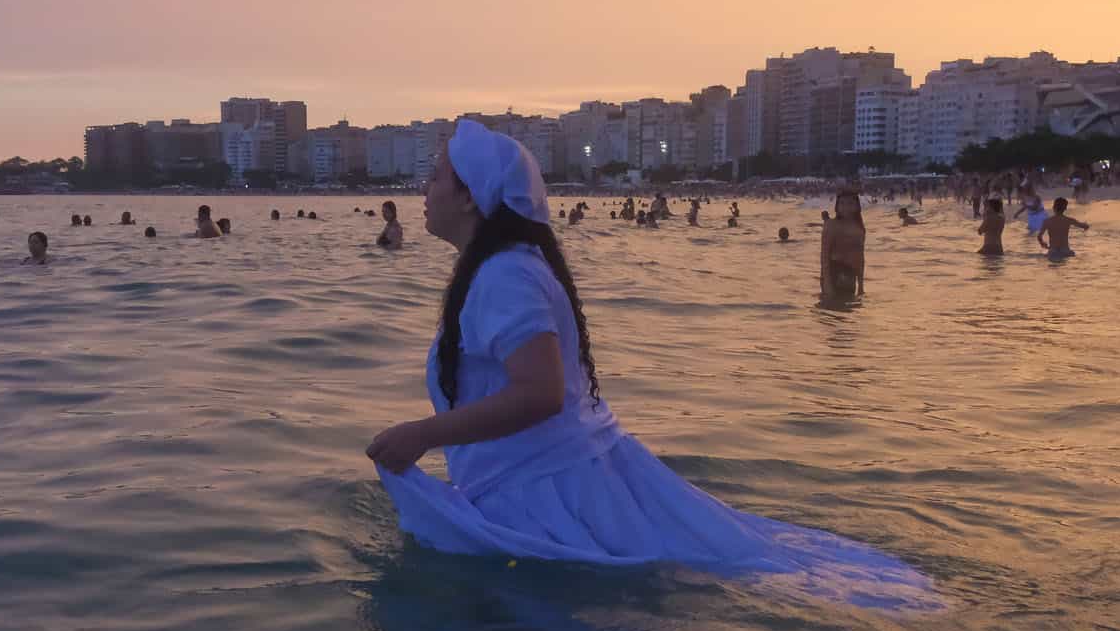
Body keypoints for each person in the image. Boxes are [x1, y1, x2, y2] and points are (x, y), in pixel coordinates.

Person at [365, 118, 932, 597]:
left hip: (552, 495)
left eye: (435, 175)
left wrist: (424, 434)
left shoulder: (504, 273)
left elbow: (539, 393)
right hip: (571, 479)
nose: (423, 188)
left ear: (469, 195)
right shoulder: (507, 266)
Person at [820, 190, 865, 299]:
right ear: (837, 206)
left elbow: (860, 257)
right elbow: (824, 256)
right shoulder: (831, 225)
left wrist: (861, 285)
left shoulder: (859, 228)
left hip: (851, 274)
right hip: (834, 272)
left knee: (848, 310)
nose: (846, 207)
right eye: (842, 203)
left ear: (857, 206)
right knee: (832, 310)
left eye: (850, 203)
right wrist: (827, 284)